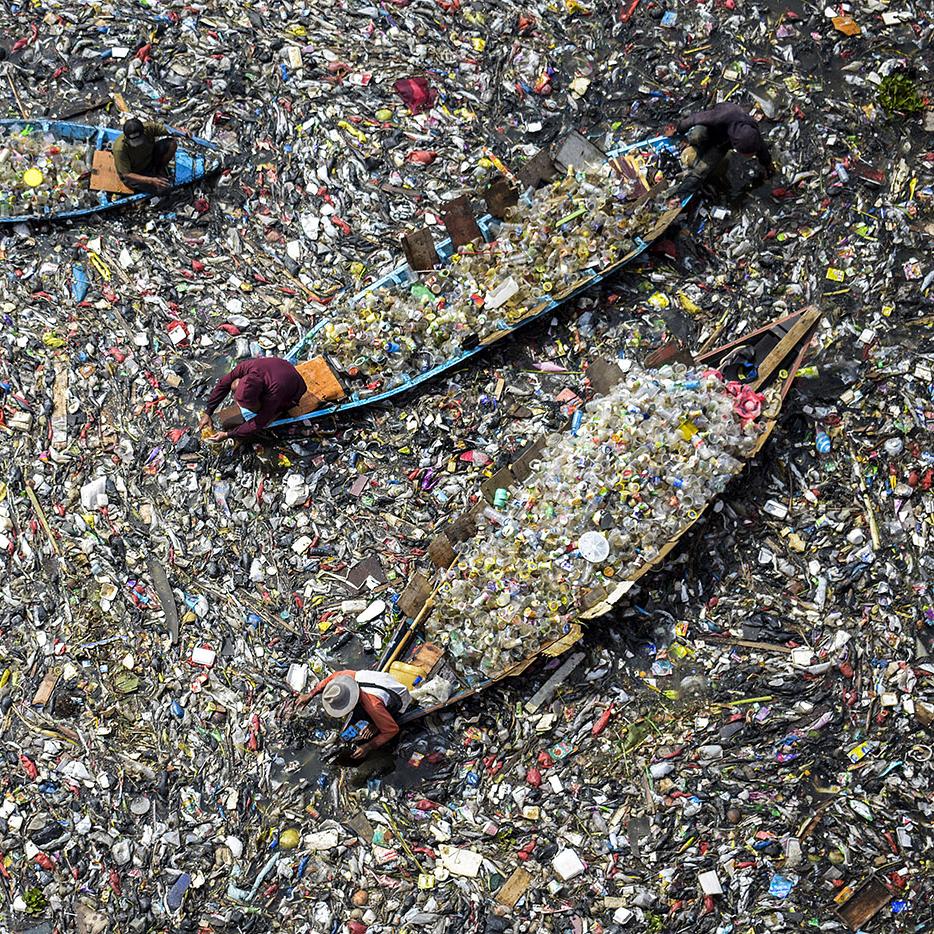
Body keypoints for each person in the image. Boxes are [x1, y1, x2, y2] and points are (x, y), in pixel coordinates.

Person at [299, 669, 412, 761]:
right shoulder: (345, 677)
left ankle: (378, 722)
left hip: (398, 699)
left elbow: (392, 730)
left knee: (380, 726)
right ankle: (378, 721)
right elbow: (331, 678)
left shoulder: (373, 706)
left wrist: (368, 746)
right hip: (382, 684)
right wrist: (310, 695)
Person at [669, 102, 773, 195]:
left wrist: (767, 166)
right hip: (710, 128)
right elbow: (695, 118)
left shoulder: (752, 135)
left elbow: (762, 149)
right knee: (697, 135)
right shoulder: (721, 116)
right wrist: (678, 128)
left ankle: (683, 191)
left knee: (704, 169)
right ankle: (693, 143)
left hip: (722, 141)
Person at [200, 356, 308, 441]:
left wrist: (228, 434)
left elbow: (259, 422)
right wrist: (208, 412)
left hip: (295, 389)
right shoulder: (246, 367)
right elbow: (224, 384)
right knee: (234, 384)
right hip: (280, 367)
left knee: (266, 418)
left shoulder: (273, 394)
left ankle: (278, 411)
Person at [112, 118, 189, 193]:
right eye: (133, 140)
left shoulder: (149, 128)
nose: (137, 143)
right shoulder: (120, 149)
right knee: (163, 189)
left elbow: (169, 130)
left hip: (149, 159)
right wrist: (151, 181)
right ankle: (153, 177)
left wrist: (181, 132)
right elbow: (126, 174)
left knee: (172, 144)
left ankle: (158, 170)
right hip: (135, 172)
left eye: (139, 139)